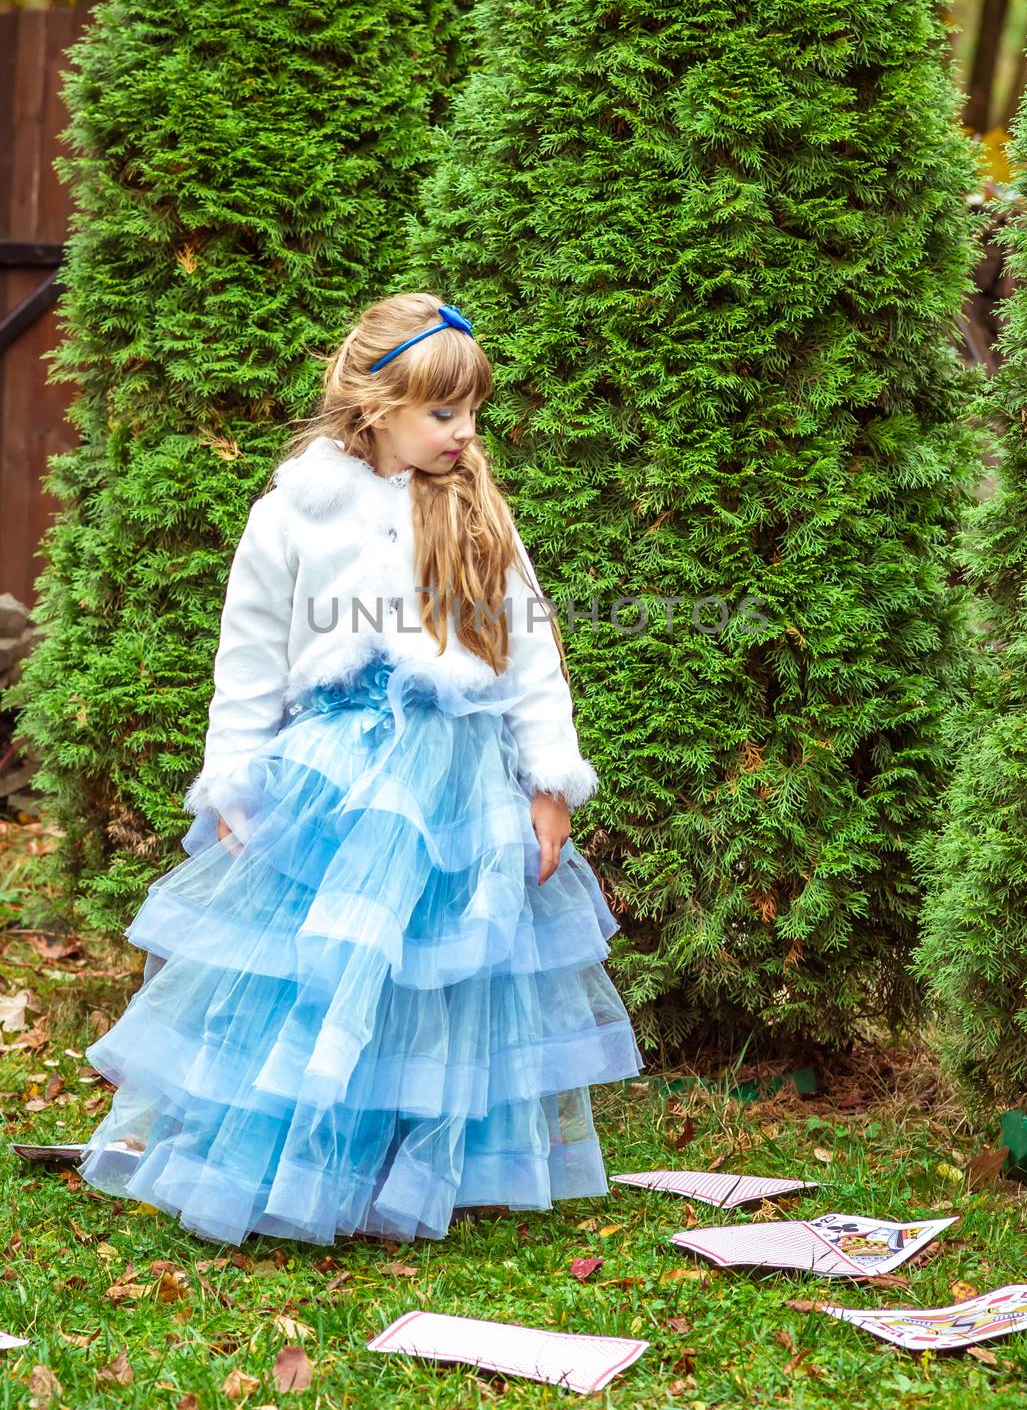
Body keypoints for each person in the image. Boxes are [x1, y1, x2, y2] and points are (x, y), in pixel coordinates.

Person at [76, 291, 645, 1246]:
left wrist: (550, 785)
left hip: (458, 783)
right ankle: (301, 1156)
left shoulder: (477, 517)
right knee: (332, 965)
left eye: (471, 414)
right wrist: (233, 780)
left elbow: (531, 656)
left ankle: (416, 1161)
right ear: (377, 406)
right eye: (442, 415)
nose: (464, 435)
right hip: (338, 778)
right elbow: (249, 660)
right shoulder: (297, 514)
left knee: (438, 976)